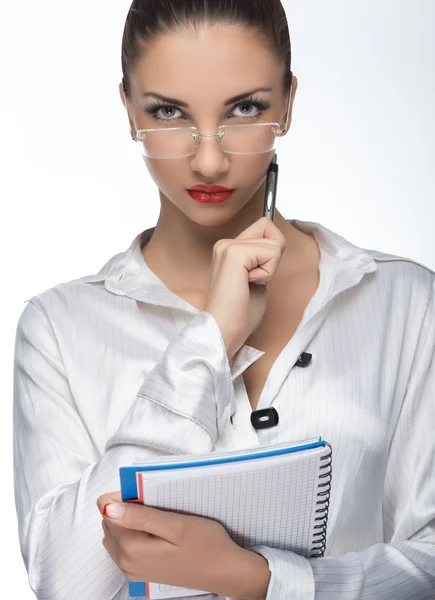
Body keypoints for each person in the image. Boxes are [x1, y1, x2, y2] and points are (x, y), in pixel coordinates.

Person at [12, 0, 435, 599]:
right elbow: (65, 581)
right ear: (129, 108)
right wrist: (209, 341)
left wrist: (258, 580)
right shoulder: (58, 328)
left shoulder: (406, 305)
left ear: (287, 101)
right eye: (167, 111)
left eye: (245, 108)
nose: (208, 159)